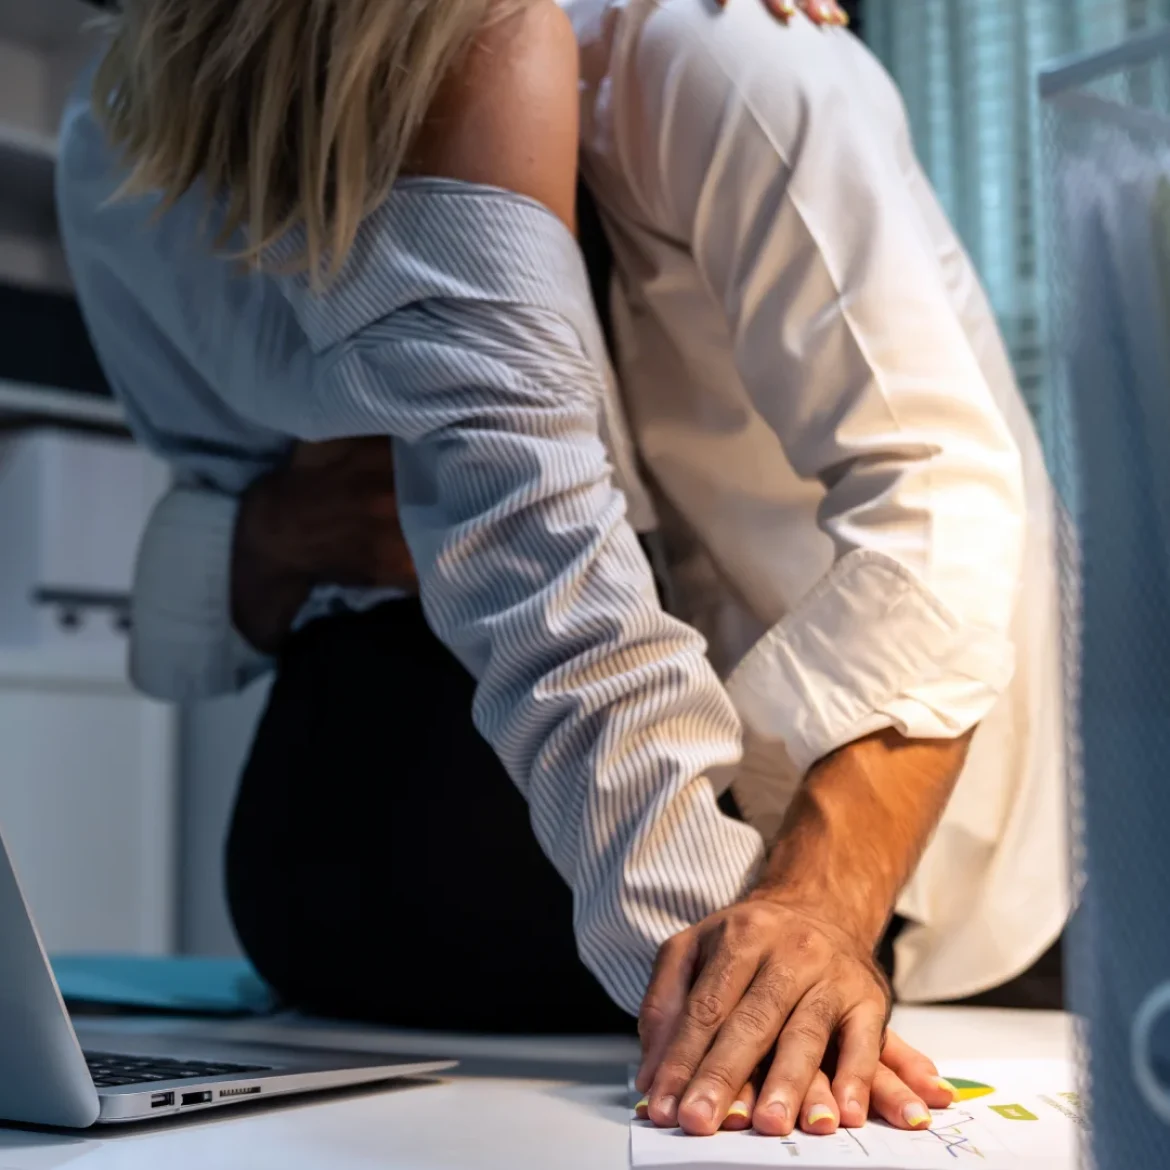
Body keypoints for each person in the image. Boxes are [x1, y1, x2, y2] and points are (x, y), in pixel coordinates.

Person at [55, 0, 1057, 1142]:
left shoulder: (721, 61)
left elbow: (941, 498)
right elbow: (229, 543)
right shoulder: (129, 165)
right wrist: (299, 526)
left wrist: (807, 907)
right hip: (371, 1002)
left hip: (878, 887)